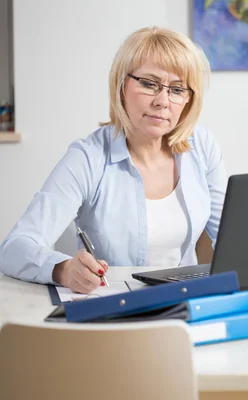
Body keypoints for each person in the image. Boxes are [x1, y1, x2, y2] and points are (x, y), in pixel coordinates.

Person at [0, 26, 227, 295]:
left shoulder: (201, 146)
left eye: (177, 89)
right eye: (149, 84)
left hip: (186, 306)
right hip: (114, 309)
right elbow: (15, 248)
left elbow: (233, 238)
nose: (162, 101)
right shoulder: (88, 157)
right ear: (121, 86)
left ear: (189, 101)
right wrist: (62, 268)